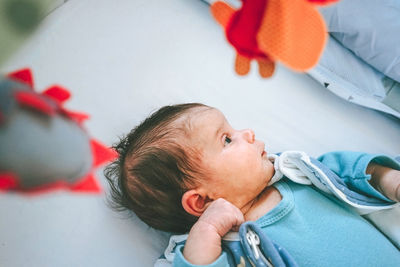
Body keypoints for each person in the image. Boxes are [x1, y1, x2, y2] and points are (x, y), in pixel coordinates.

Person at [104, 103, 400, 266]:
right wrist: (206, 232)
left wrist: (388, 179)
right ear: (201, 201)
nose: (247, 132)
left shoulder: (294, 173)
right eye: (227, 139)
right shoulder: (221, 249)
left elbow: (345, 173)